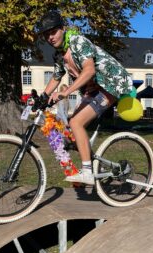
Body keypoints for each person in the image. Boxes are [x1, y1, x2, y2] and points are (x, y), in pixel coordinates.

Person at [36, 11, 133, 185]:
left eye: (53, 32)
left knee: (76, 123)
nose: (50, 37)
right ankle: (98, 166)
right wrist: (43, 96)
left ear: (62, 29)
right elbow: (57, 76)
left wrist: (66, 92)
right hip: (92, 90)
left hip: (110, 85)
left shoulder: (78, 42)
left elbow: (89, 70)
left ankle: (87, 171)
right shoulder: (58, 53)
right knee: (72, 125)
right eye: (46, 35)